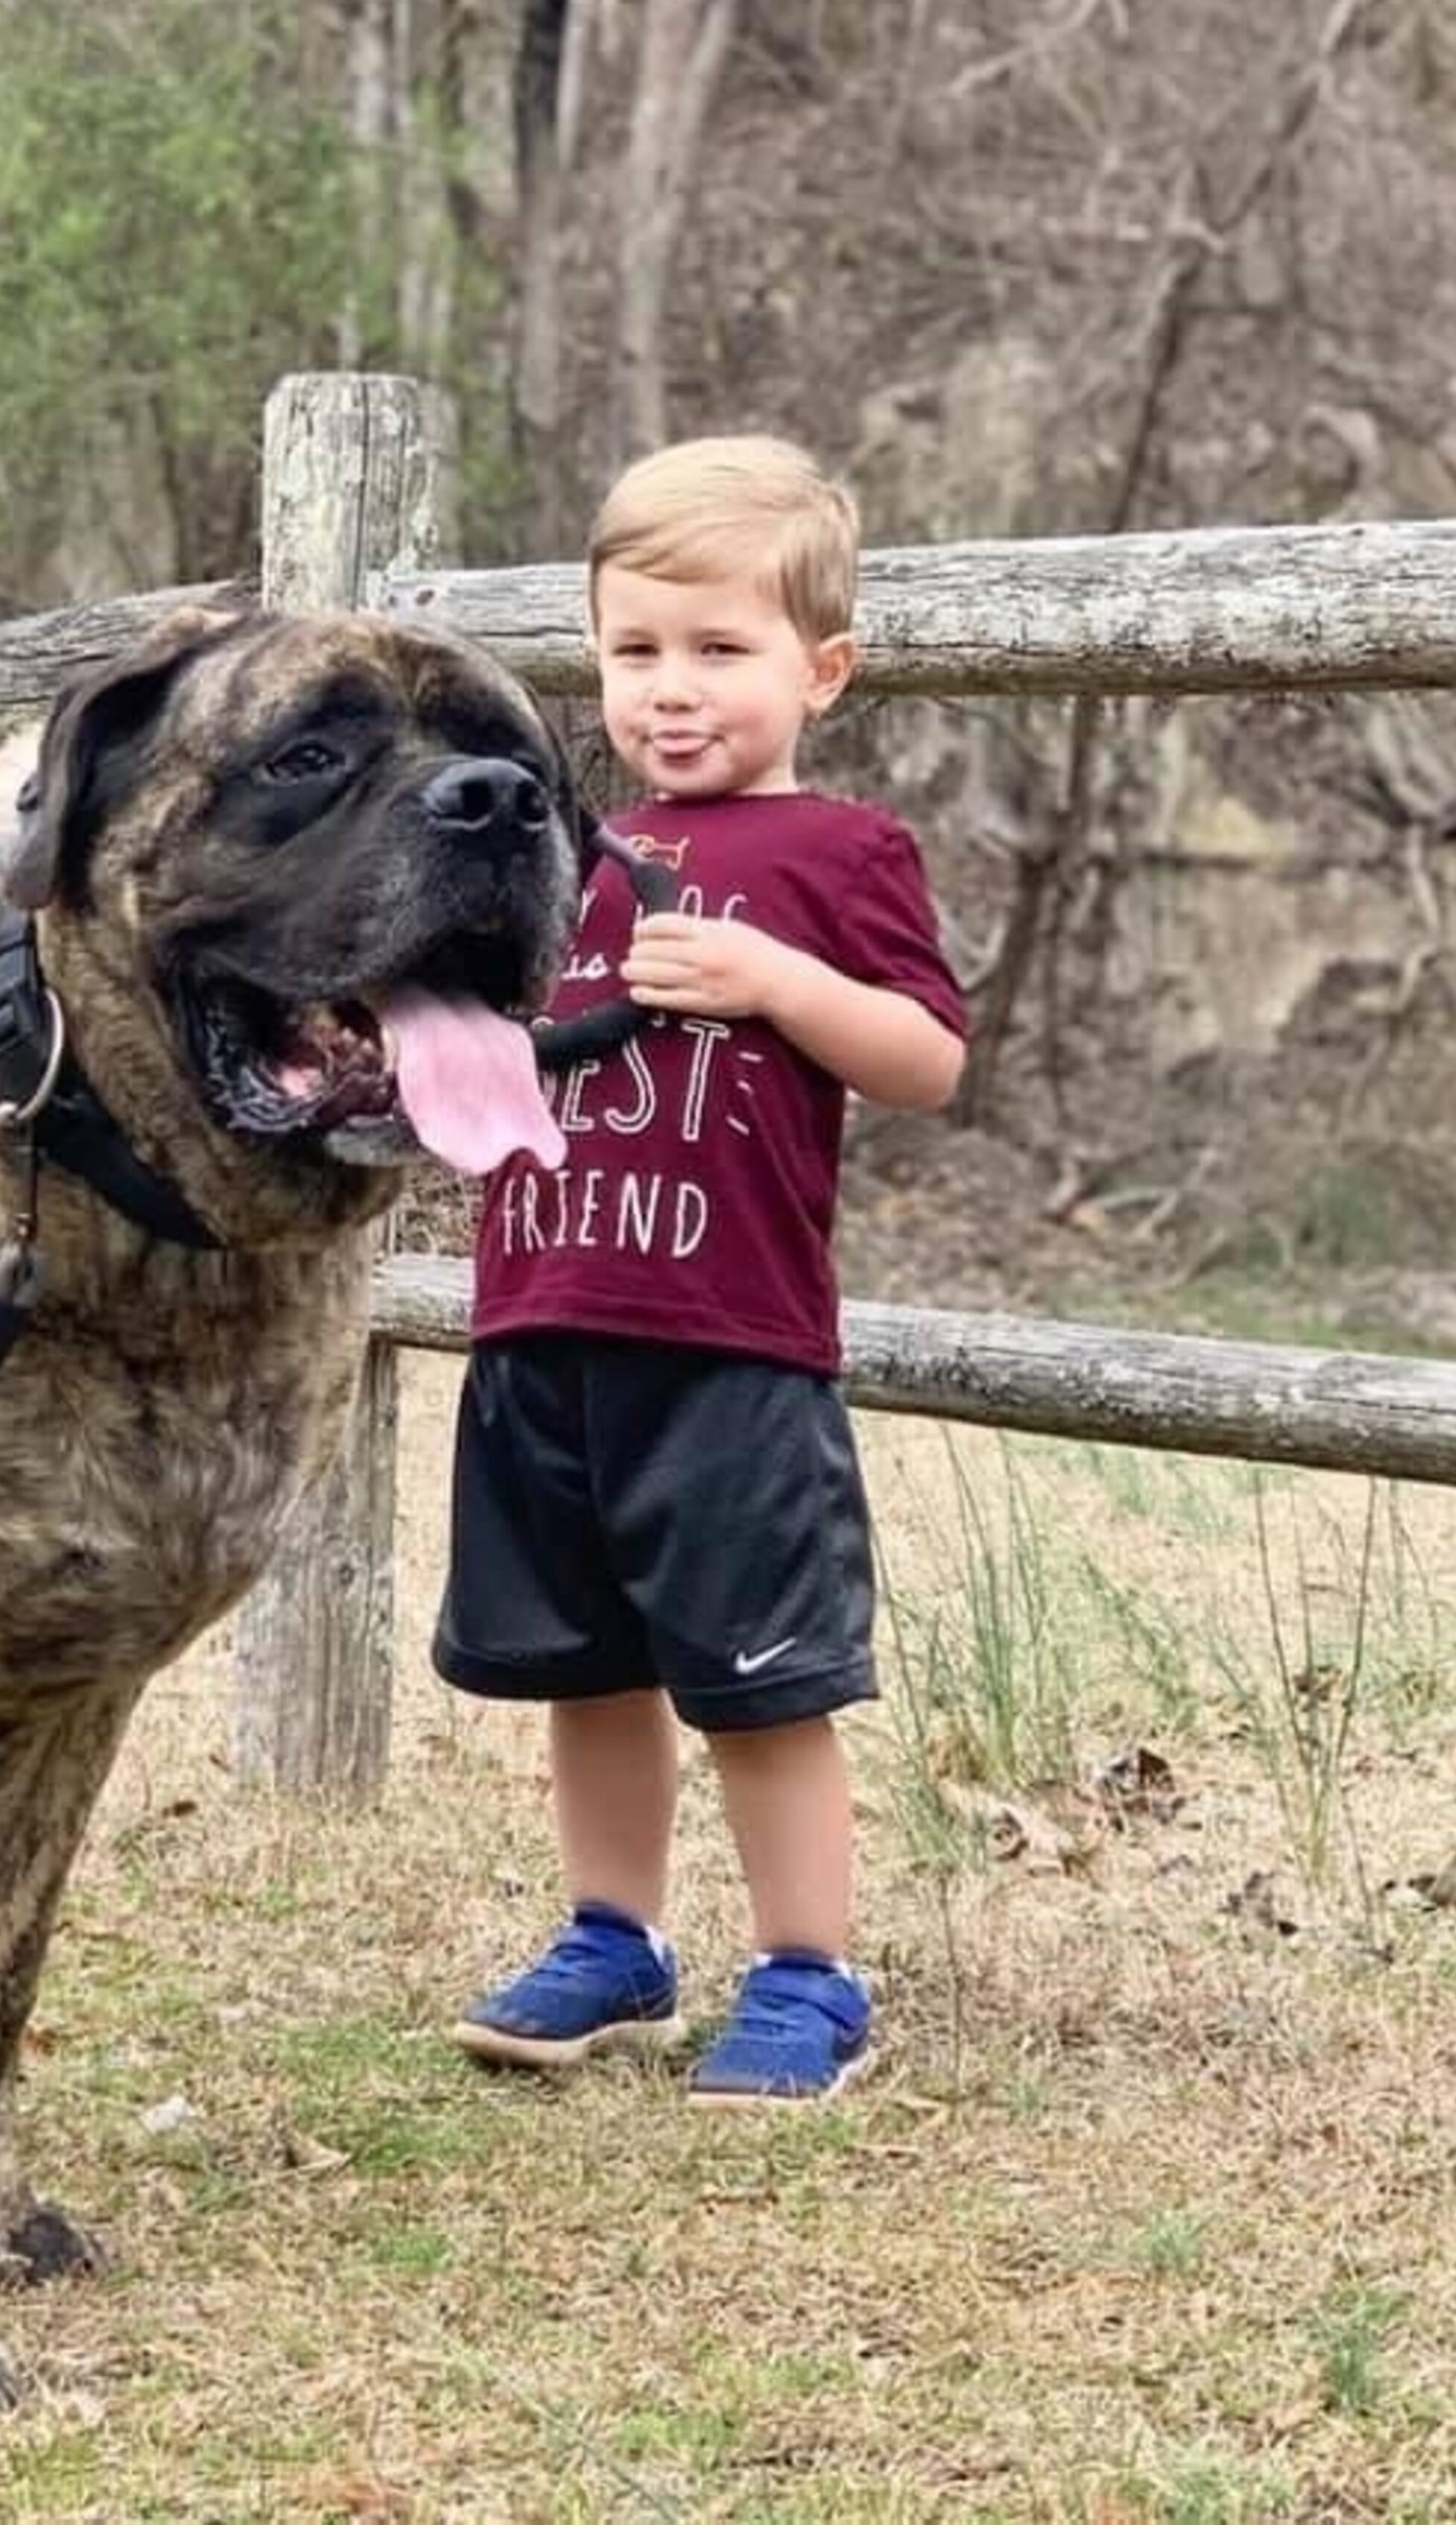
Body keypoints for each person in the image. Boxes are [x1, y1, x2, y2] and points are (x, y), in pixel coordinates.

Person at [434, 434, 966, 2104]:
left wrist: (775, 978)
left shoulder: (838, 855)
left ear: (824, 667)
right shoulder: (559, 850)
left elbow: (925, 1057)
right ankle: (617, 1937)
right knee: (582, 1668)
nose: (671, 690)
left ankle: (813, 1971)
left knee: (759, 1681)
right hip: (542, 1322)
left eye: (719, 650)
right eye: (634, 650)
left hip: (729, 1346)